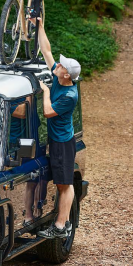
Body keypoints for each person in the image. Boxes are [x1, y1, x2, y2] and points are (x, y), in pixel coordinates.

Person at [29, 16, 81, 239]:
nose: (56, 65)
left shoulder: (69, 94)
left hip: (62, 142)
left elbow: (48, 112)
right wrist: (39, 25)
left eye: (61, 66)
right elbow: (47, 51)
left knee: (64, 184)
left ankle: (60, 226)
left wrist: (46, 91)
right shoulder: (61, 78)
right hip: (57, 139)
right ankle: (64, 222)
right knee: (62, 182)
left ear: (66, 74)